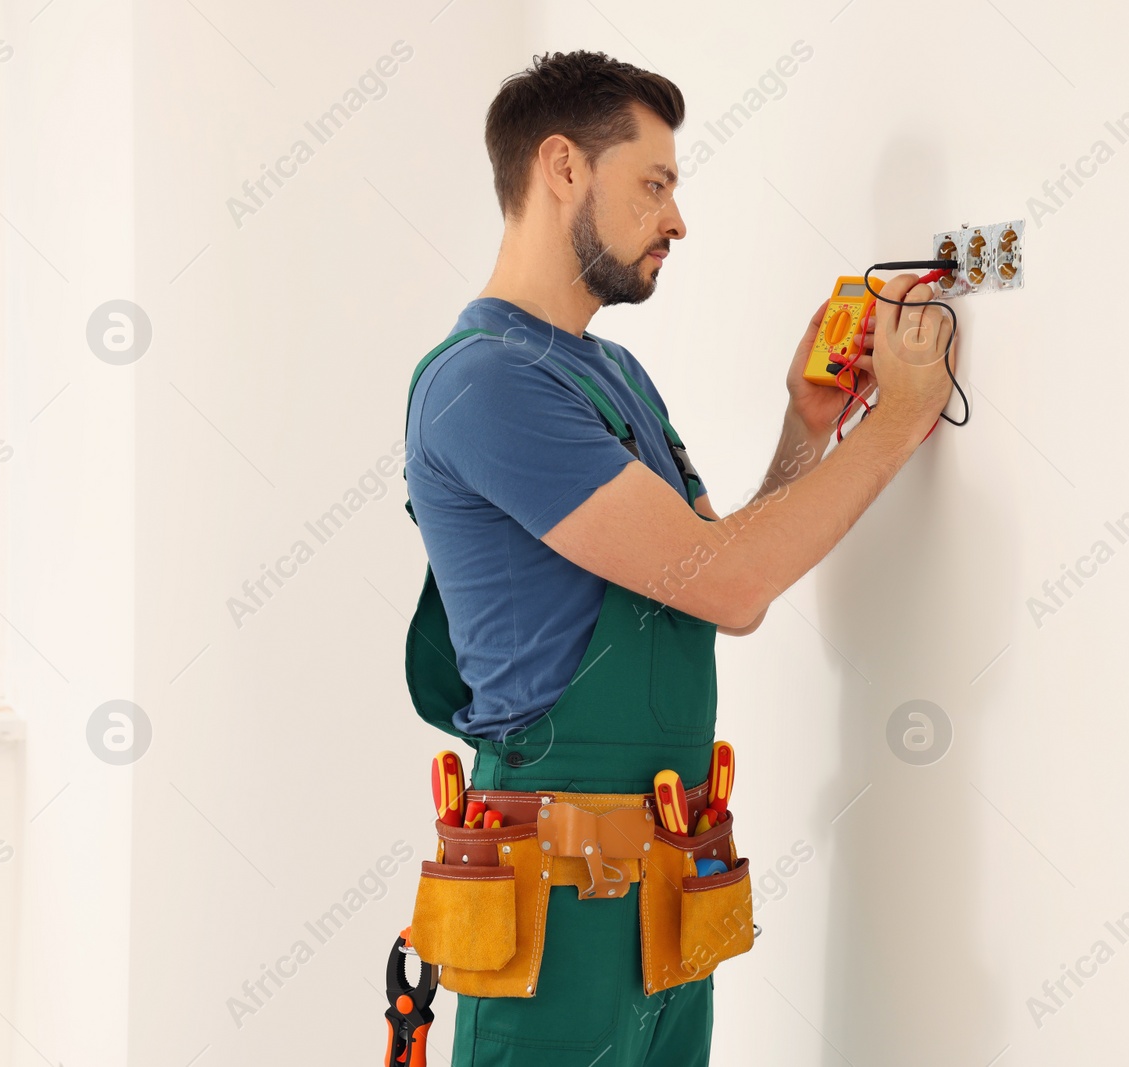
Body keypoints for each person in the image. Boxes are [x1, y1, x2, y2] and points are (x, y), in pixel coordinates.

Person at [404, 49, 958, 1067]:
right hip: (552, 912)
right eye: (653, 183)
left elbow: (715, 576)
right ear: (562, 167)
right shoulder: (485, 382)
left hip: (666, 895)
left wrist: (811, 425)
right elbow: (733, 580)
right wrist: (895, 430)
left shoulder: (611, 373)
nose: (675, 218)